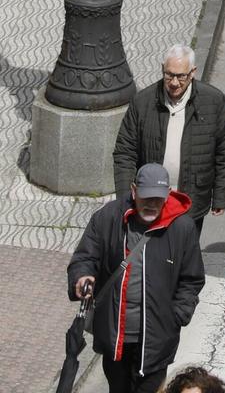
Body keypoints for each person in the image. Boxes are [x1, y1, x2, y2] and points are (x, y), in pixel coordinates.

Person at [68, 163, 205, 393]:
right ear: (133, 191)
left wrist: (176, 316)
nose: (152, 204)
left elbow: (192, 279)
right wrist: (82, 278)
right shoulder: (108, 217)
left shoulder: (183, 228)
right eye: (146, 197)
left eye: (158, 198)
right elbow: (85, 257)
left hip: (157, 340)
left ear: (168, 194)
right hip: (116, 338)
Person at [111, 45, 225, 226]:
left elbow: (223, 152)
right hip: (150, 201)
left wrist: (220, 196)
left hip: (192, 201)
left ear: (192, 73)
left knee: (184, 251)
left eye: (181, 76)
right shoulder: (142, 102)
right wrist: (126, 198)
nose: (174, 83)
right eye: (169, 75)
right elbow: (125, 152)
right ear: (162, 69)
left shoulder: (213, 101)